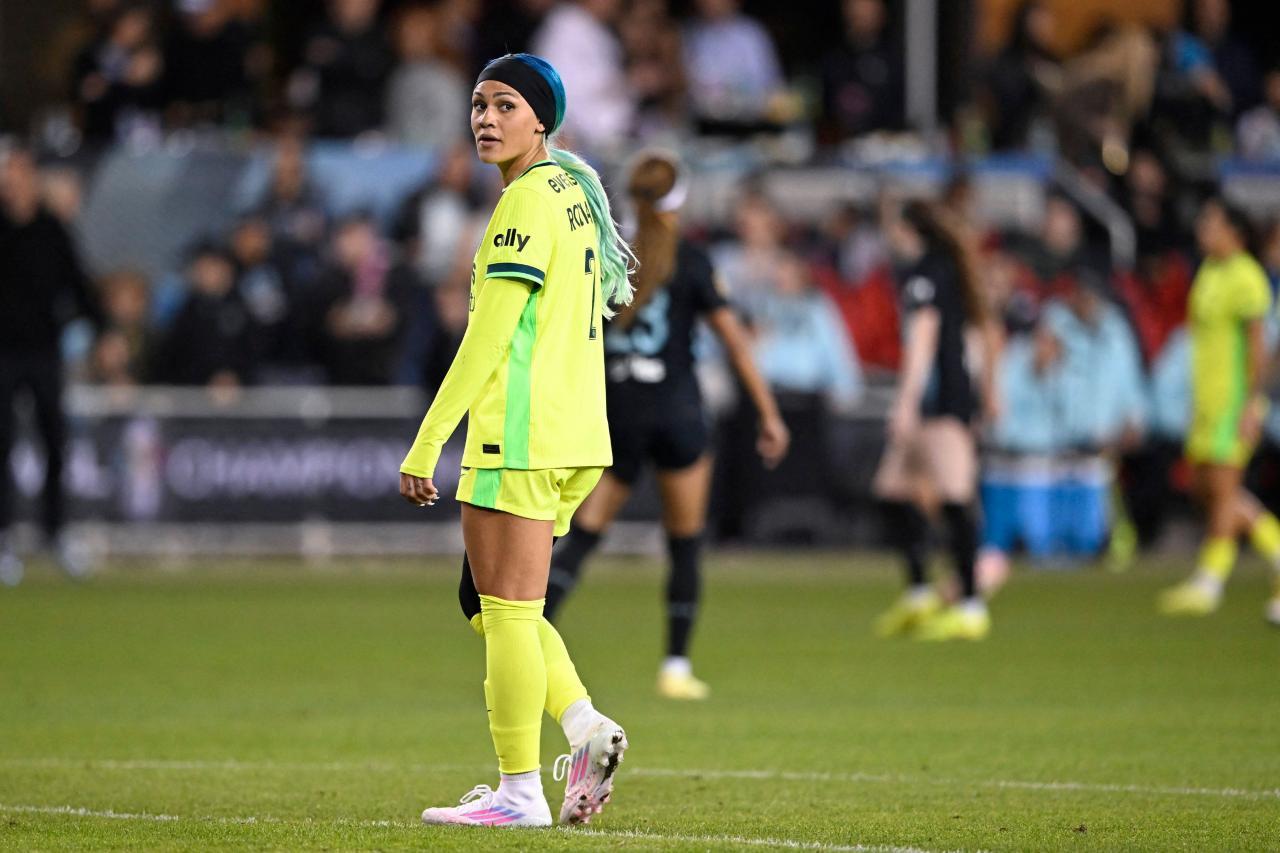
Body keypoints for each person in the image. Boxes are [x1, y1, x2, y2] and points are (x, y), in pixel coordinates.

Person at [398, 53, 631, 828]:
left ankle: (518, 791)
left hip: (521, 433)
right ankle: (583, 724)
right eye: (478, 105)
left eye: (505, 105)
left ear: (541, 119)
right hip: (573, 430)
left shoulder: (524, 204)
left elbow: (488, 337)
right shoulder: (573, 188)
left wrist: (428, 441)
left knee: (502, 611)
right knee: (490, 600)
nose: (486, 119)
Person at [542, 150, 790, 700]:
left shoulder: (605, 255)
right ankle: (675, 666)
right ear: (678, 200)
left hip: (618, 411)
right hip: (676, 410)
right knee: (684, 542)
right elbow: (735, 344)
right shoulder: (692, 259)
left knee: (584, 536)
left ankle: (532, 645)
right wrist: (769, 414)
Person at [872, 200, 1000, 641]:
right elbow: (983, 332)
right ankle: (920, 595)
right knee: (892, 492)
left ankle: (970, 606)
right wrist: (990, 390)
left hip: (941, 402)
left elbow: (923, 339)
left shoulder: (925, 274)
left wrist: (905, 402)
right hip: (945, 398)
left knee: (955, 497)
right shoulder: (946, 270)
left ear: (908, 229)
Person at [1159, 198, 1280, 625]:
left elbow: (1258, 348)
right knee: (1207, 491)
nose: (1202, 230)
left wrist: (1252, 403)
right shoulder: (1208, 272)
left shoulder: (1247, 278)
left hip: (1233, 402)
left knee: (1224, 494)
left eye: (1211, 223)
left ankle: (1208, 583)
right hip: (1206, 402)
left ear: (1234, 232)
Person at [0, 147, 104, 584]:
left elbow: (78, 283)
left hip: (44, 351)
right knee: (2, 444)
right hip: (3, 353)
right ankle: (4, 539)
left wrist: (103, 330)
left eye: (20, 174)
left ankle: (56, 534)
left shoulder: (51, 229)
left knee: (54, 443)